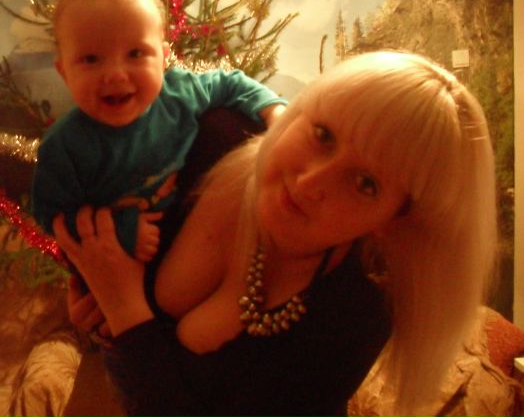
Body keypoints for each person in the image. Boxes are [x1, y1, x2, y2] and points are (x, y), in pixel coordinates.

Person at [55, 51, 497, 416]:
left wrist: (124, 308)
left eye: (365, 183)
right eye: (323, 134)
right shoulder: (207, 137)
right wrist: (95, 302)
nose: (310, 182)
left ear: (392, 221)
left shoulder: (359, 307)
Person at [31, 0, 286, 264]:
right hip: (122, 257)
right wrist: (122, 231)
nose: (115, 74)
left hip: (188, 229)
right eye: (90, 59)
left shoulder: (180, 94)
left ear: (164, 58)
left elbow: (231, 84)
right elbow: (52, 217)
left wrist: (275, 111)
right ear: (64, 72)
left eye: (135, 54)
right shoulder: (64, 148)